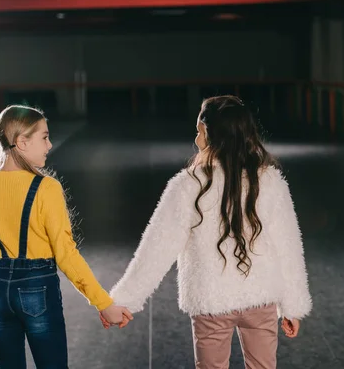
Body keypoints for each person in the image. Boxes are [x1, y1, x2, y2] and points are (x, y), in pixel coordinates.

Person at [103, 95, 312, 368]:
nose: (196, 137)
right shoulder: (270, 181)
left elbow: (157, 247)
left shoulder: (188, 185)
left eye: (199, 130)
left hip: (211, 301)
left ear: (209, 133)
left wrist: (123, 300)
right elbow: (289, 247)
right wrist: (293, 306)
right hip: (261, 299)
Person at [0, 104, 133, 368]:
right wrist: (103, 303)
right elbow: (66, 254)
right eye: (44, 137)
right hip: (36, 288)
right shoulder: (46, 189)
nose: (49, 145)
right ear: (22, 142)